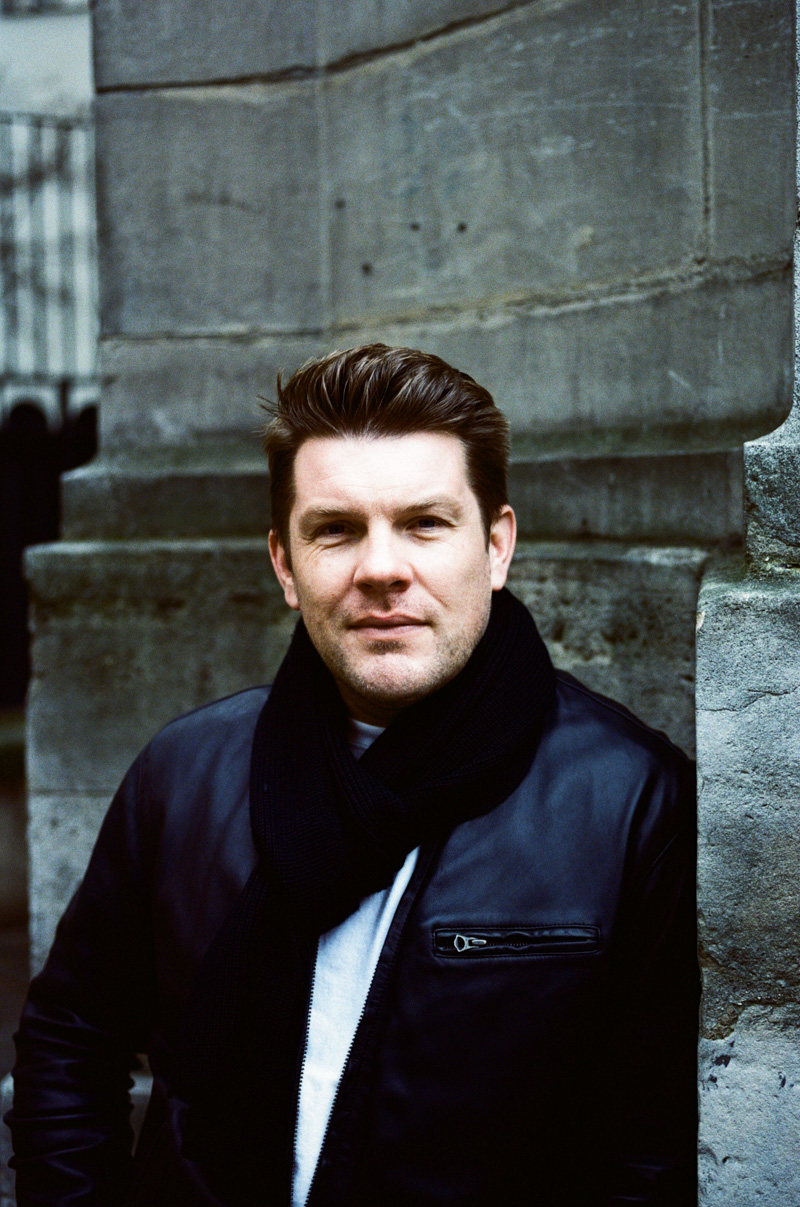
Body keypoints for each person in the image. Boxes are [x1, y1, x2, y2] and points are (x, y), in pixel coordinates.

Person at [7, 344, 698, 1206]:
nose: (380, 567)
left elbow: (645, 1152)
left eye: (425, 523)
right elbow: (70, 1040)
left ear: (496, 546)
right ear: (284, 565)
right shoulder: (180, 775)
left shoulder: (627, 799)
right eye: (335, 529)